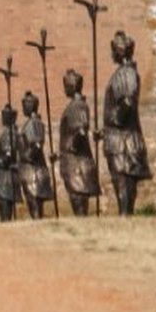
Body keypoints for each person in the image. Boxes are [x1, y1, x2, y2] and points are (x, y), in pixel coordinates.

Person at [103, 29, 152, 217]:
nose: (112, 54)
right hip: (119, 138)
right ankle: (125, 215)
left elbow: (128, 101)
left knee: (123, 181)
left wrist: (114, 120)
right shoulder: (124, 72)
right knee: (122, 181)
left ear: (120, 51)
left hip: (122, 140)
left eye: (114, 49)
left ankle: (125, 216)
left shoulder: (126, 73)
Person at [57, 68, 100, 217]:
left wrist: (72, 146)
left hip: (77, 165)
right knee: (77, 201)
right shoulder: (76, 105)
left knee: (79, 202)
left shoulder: (77, 106)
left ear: (70, 86)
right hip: (75, 163)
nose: (64, 89)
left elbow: (81, 130)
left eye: (65, 85)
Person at [17, 91, 56, 220]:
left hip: (33, 172)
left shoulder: (33, 124)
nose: (23, 108)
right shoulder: (33, 122)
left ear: (29, 106)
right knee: (34, 205)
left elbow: (37, 145)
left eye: (24, 105)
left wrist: (25, 157)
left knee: (34, 205)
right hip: (33, 171)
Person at [0, 104, 22, 221]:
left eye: (5, 116)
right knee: (6, 210)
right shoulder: (13, 133)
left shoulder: (8, 135)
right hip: (6, 178)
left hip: (5, 179)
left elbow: (8, 154)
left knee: (5, 212)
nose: (2, 118)